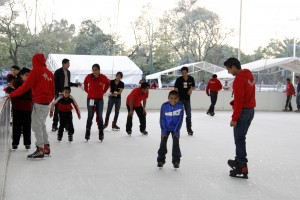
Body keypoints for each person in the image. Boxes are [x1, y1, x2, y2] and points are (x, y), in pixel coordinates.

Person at [9, 54, 55, 159]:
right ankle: (46, 146)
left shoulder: (36, 71)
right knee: (41, 124)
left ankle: (40, 149)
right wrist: (49, 100)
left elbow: (25, 87)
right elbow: (53, 90)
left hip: (39, 103)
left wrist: (12, 94)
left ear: (34, 61)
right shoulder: (49, 73)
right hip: (46, 103)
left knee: (36, 126)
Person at [224, 57, 255, 179]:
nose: (228, 72)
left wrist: (234, 118)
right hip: (250, 111)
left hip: (243, 112)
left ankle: (242, 166)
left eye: (228, 69)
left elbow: (239, 101)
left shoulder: (239, 80)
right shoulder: (249, 75)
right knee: (241, 138)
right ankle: (238, 161)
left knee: (239, 140)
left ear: (233, 66)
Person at [52, 58, 81, 132]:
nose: (69, 65)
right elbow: (54, 83)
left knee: (66, 110)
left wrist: (75, 84)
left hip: (66, 94)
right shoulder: (57, 72)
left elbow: (68, 83)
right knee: (57, 109)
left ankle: (66, 125)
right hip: (58, 93)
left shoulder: (68, 72)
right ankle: (55, 125)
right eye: (68, 63)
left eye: (69, 63)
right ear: (63, 64)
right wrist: (55, 93)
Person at [157, 90, 184, 169]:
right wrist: (163, 131)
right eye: (171, 98)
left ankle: (176, 161)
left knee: (176, 145)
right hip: (166, 128)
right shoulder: (164, 106)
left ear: (178, 98)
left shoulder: (180, 106)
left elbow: (180, 119)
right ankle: (160, 160)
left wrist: (177, 131)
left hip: (175, 129)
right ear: (168, 98)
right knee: (162, 144)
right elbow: (162, 119)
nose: (173, 100)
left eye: (175, 98)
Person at [7, 68, 32, 150]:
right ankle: (15, 143)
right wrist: (12, 89)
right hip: (17, 107)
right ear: (21, 76)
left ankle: (27, 143)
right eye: (27, 75)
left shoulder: (31, 83)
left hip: (28, 107)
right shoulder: (16, 82)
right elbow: (9, 91)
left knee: (27, 126)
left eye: (29, 75)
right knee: (16, 126)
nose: (28, 77)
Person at [84, 64, 110, 142]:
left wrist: (104, 91)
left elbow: (108, 83)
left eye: (96, 70)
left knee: (99, 116)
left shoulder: (103, 77)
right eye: (93, 70)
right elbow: (85, 82)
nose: (94, 71)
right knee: (90, 115)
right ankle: (87, 132)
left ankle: (101, 133)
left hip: (99, 99)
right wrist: (86, 90)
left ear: (99, 70)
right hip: (90, 99)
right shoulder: (89, 76)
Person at [174, 66, 195, 135]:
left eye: (185, 73)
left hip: (187, 100)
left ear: (187, 72)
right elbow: (175, 88)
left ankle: (189, 129)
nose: (184, 74)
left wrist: (191, 89)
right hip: (180, 100)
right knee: (178, 115)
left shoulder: (191, 79)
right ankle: (176, 129)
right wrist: (175, 98)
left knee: (188, 115)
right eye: (182, 73)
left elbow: (194, 86)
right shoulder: (179, 79)